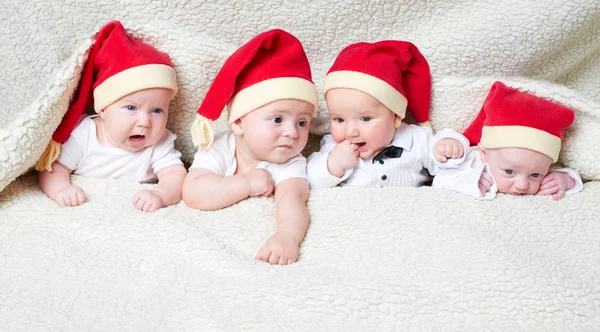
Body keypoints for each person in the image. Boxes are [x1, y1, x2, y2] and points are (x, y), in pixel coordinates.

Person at [182, 29, 319, 266]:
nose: (292, 132)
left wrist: (287, 236)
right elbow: (194, 194)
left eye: (302, 122)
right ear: (238, 123)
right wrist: (246, 183)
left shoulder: (291, 161)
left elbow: (292, 201)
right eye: (277, 119)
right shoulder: (220, 146)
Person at [37, 21, 187, 212]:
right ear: (103, 109)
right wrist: (61, 189)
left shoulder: (159, 142)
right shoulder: (85, 134)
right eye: (131, 107)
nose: (145, 122)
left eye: (157, 110)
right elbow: (54, 168)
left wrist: (160, 194)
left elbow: (175, 175)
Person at [307, 40, 469, 188]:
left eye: (365, 118)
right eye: (339, 119)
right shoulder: (333, 146)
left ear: (396, 117)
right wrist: (333, 164)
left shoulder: (415, 138)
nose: (350, 132)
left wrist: (450, 144)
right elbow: (311, 181)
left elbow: (445, 163)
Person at [433, 81, 583, 200]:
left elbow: (563, 172)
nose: (522, 185)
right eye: (509, 172)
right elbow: (439, 180)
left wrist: (565, 180)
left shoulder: (535, 163)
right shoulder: (473, 160)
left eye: (535, 175)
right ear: (484, 153)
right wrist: (471, 182)